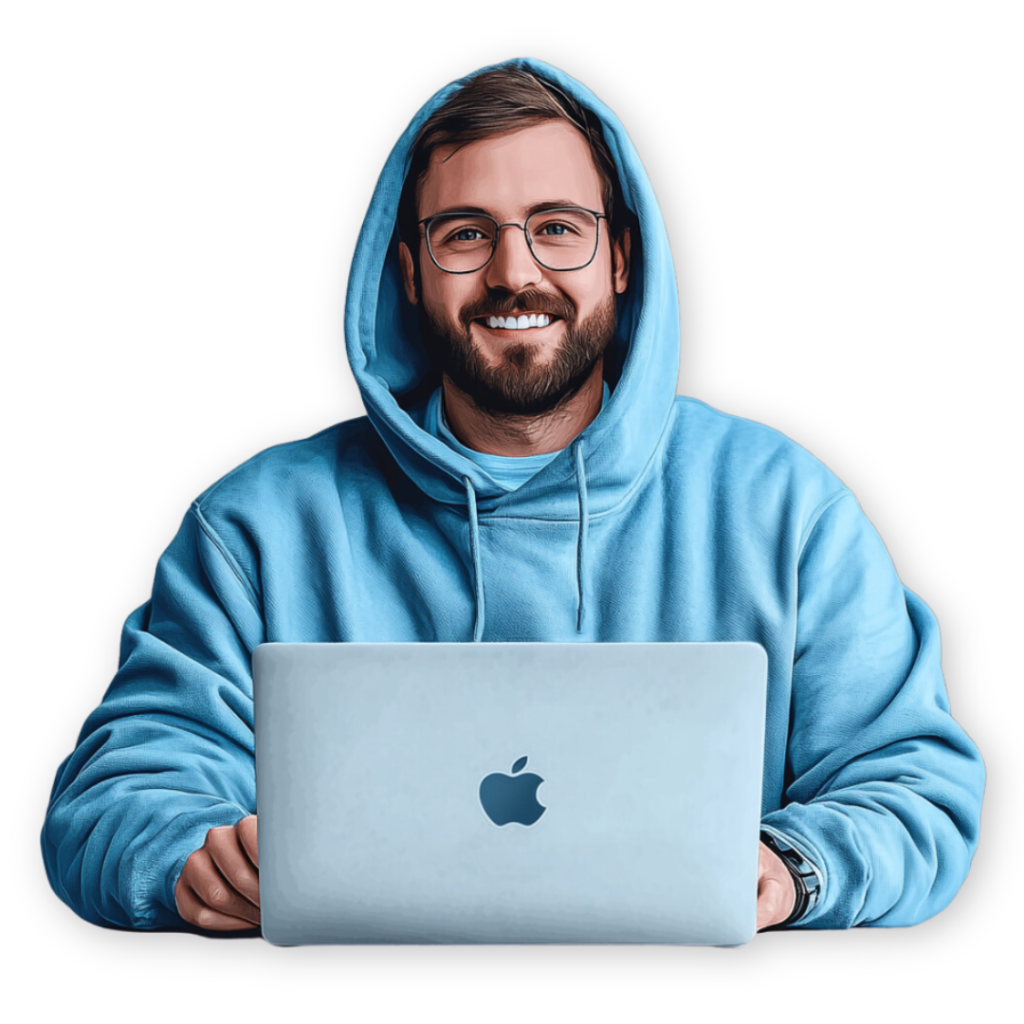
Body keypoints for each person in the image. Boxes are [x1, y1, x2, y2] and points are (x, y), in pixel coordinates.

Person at [41, 57, 985, 936]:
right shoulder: (256, 528)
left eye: (558, 227)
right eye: (466, 235)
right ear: (409, 274)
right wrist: (188, 860)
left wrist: (792, 865)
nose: (514, 272)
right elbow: (119, 794)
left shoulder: (788, 510)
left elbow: (916, 784)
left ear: (621, 258)